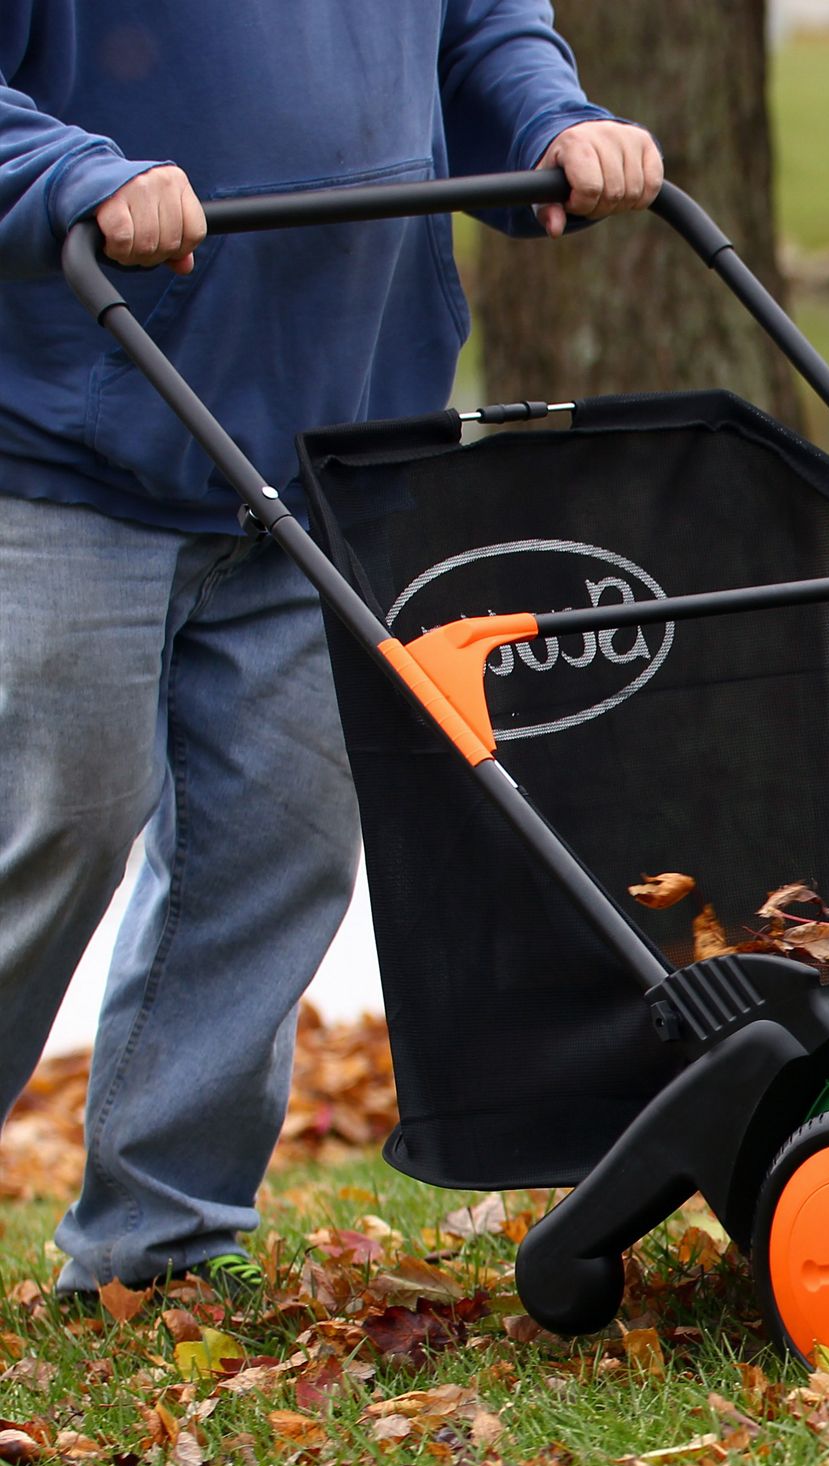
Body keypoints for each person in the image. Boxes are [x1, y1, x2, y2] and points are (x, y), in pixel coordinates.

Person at [0, 3, 662, 1301]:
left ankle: (163, 1244)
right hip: (67, 454)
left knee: (279, 852)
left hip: (335, 451)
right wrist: (78, 176)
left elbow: (481, 32)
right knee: (51, 831)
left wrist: (553, 123)